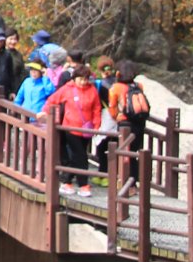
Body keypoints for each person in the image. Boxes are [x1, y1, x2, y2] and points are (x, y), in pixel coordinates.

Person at [50, 63, 103, 195]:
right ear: (74, 78)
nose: (83, 82)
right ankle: (83, 184)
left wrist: (96, 125)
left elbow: (97, 109)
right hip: (70, 127)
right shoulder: (67, 89)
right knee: (81, 156)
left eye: (85, 79)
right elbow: (53, 100)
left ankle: (66, 180)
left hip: (86, 129)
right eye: (80, 79)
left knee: (77, 156)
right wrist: (45, 112)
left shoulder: (92, 91)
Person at [106, 61, 151, 195]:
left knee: (125, 154)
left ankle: (127, 184)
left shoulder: (116, 88)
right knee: (134, 154)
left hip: (125, 124)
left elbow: (112, 107)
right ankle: (134, 184)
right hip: (139, 124)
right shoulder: (139, 85)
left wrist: (116, 117)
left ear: (118, 73)